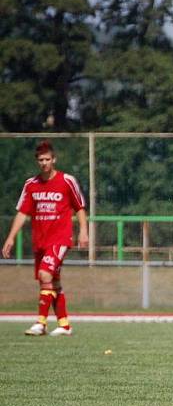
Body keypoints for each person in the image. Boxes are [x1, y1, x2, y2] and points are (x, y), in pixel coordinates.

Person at [2, 140, 89, 336]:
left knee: (45, 275)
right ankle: (64, 325)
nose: (44, 163)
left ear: (54, 159)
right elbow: (22, 213)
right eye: (41, 160)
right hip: (40, 241)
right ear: (37, 161)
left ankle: (40, 323)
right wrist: (10, 237)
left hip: (60, 238)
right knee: (51, 282)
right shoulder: (31, 185)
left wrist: (84, 231)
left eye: (47, 159)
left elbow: (80, 207)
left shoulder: (67, 181)